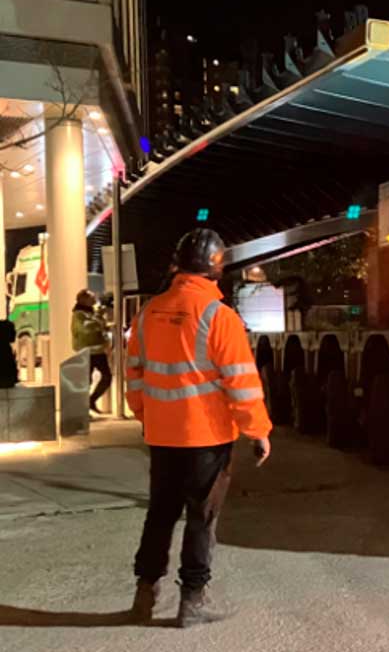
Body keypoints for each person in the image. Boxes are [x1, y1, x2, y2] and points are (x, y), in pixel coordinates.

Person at [126, 228, 272, 628]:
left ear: (178, 264)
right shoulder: (219, 317)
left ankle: (144, 594)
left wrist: (147, 416)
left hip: (162, 436)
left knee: (160, 514)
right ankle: (192, 601)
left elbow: (134, 375)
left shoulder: (148, 313)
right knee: (200, 518)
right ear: (216, 268)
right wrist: (257, 431)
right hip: (207, 438)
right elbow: (241, 383)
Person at [71, 289, 111, 412]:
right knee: (86, 380)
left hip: (99, 351)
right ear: (84, 300)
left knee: (107, 377)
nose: (94, 299)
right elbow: (86, 329)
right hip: (87, 352)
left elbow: (101, 326)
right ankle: (82, 408)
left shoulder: (92, 312)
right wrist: (98, 318)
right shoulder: (78, 314)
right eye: (91, 297)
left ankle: (91, 401)